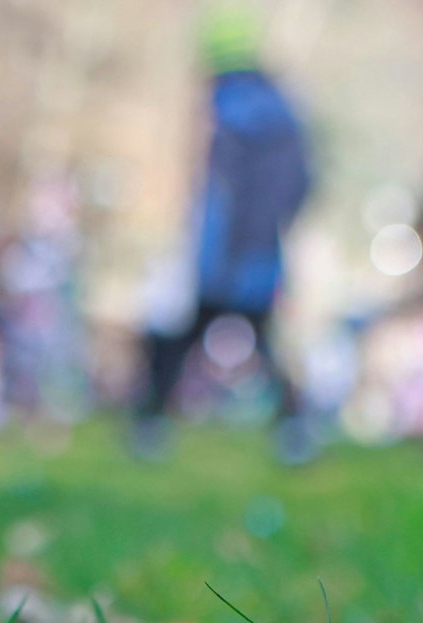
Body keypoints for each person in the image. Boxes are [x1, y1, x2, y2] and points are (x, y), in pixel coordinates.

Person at [131, 9, 314, 463]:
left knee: (181, 336)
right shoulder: (283, 109)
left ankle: (150, 423)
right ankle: (294, 429)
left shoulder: (228, 109)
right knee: (263, 340)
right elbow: (302, 184)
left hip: (224, 252)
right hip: (259, 250)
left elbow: (221, 193)